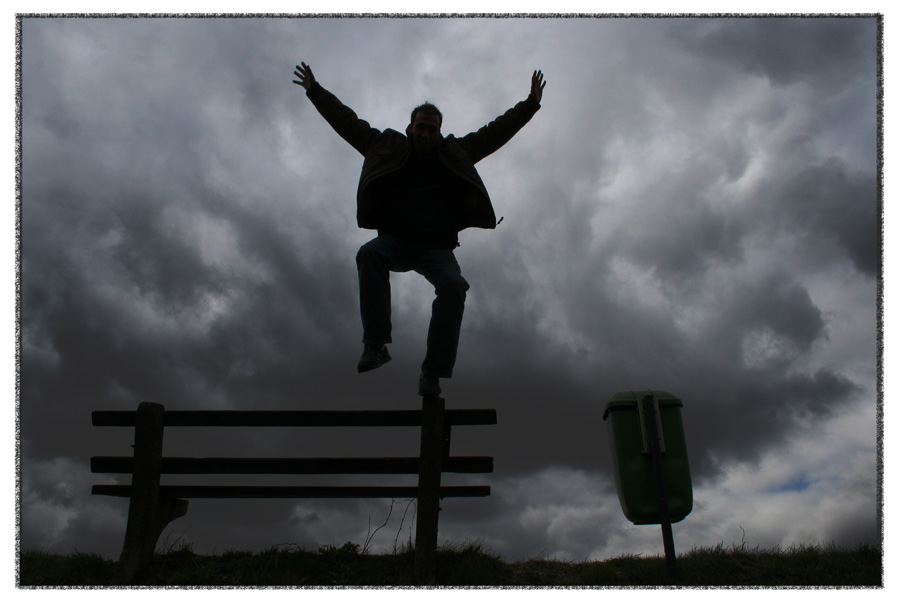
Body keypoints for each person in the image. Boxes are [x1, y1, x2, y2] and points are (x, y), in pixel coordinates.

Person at [293, 61, 546, 397]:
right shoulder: (385, 145)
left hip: (436, 248)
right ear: (410, 128)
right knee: (369, 254)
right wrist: (315, 91)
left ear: (439, 131)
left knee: (454, 286)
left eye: (432, 129)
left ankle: (433, 374)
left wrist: (529, 104)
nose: (426, 134)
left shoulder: (455, 153)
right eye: (421, 128)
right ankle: (376, 345)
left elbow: (495, 132)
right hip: (395, 241)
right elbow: (347, 123)